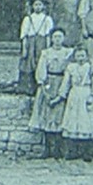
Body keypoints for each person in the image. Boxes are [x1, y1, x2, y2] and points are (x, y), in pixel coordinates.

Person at [28, 27, 72, 158]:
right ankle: (46, 148)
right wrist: (43, 87)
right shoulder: (46, 53)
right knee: (46, 114)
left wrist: (62, 91)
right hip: (48, 83)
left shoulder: (68, 53)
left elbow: (69, 72)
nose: (57, 40)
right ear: (51, 39)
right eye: (55, 37)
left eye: (60, 37)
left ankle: (57, 149)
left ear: (63, 38)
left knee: (58, 115)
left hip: (62, 82)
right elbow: (41, 71)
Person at [58, 46, 93, 159]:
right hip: (74, 94)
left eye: (82, 56)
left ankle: (86, 151)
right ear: (74, 57)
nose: (80, 58)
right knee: (73, 121)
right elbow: (66, 83)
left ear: (86, 57)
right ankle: (72, 151)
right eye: (78, 56)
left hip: (86, 93)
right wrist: (62, 94)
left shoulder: (90, 68)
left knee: (86, 121)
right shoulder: (71, 68)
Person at [18, 0, 53, 88]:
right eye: (36, 5)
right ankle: (28, 85)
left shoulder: (47, 19)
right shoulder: (28, 19)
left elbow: (48, 35)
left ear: (43, 6)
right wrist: (24, 48)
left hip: (41, 43)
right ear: (32, 7)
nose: (38, 7)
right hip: (30, 43)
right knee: (29, 62)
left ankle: (40, 84)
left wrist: (48, 48)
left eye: (40, 5)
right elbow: (24, 35)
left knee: (40, 62)